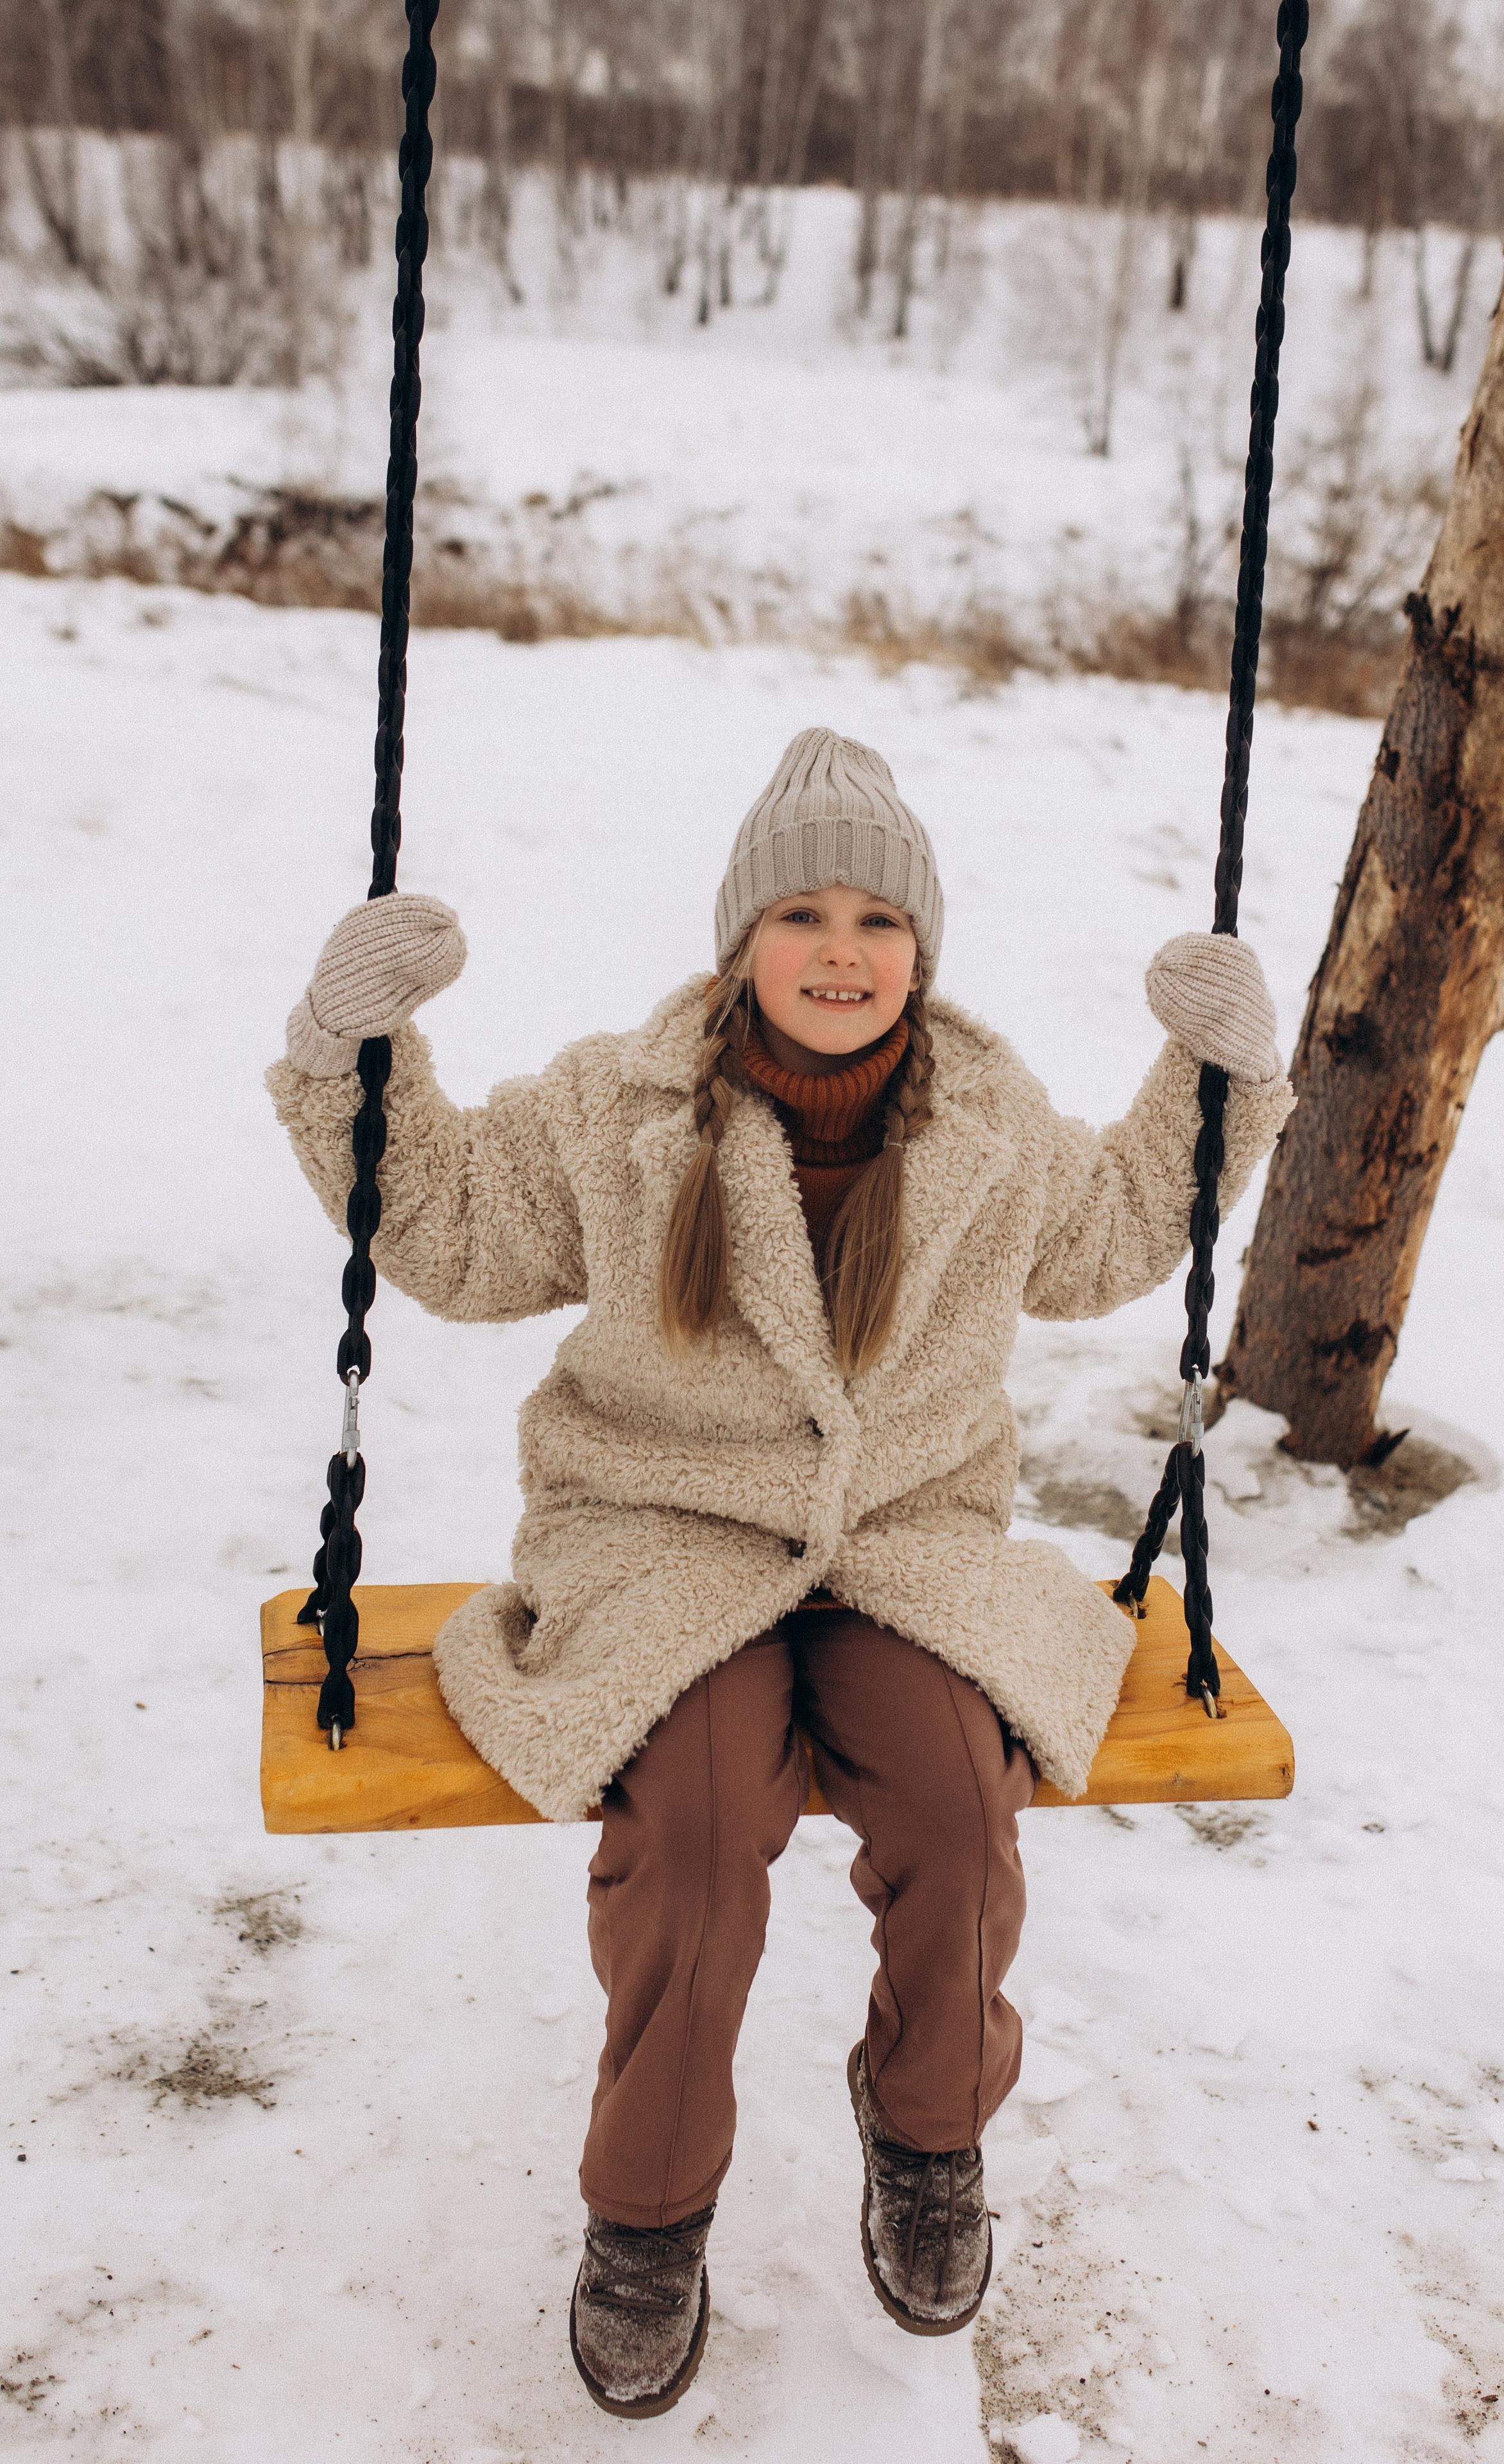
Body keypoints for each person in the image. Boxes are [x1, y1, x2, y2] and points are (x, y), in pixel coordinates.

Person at [269, 726, 1293, 2418]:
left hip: (904, 1543)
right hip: (661, 1535)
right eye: (803, 915)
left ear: (922, 951)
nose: (842, 951)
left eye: (879, 922)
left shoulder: (986, 1120)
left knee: (966, 1806)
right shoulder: (624, 1107)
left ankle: (930, 2134)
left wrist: (1219, 1081)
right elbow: (446, 1223)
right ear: (743, 940)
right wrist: (348, 1043)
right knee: (688, 1830)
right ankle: (649, 2215)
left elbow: (1114, 1228)